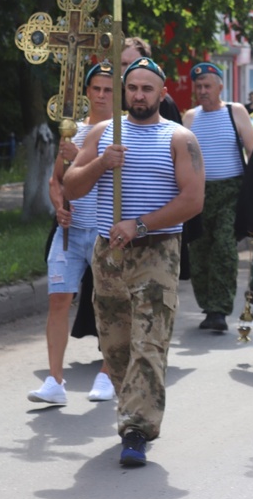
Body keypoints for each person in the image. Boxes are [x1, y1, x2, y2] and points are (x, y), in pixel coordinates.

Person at [63, 57, 205, 466]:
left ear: (163, 93)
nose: (139, 94)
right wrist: (101, 163)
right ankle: (132, 408)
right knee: (115, 342)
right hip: (109, 252)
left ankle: (137, 429)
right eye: (133, 88)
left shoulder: (179, 138)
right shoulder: (105, 133)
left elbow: (192, 201)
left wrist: (140, 225)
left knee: (149, 341)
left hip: (156, 252)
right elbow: (71, 185)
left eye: (147, 88)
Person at [28, 63, 117, 405]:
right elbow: (57, 181)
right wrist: (58, 207)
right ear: (87, 92)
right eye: (95, 88)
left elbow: (110, 176)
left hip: (106, 231)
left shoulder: (122, 132)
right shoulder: (73, 129)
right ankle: (54, 381)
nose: (101, 95)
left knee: (109, 302)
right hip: (72, 231)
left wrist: (79, 157)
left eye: (108, 90)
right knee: (58, 300)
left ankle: (107, 375)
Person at [182, 62, 253, 331]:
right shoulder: (190, 117)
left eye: (207, 86)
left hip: (230, 192)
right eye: (198, 87)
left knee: (224, 247)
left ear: (220, 87)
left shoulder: (235, 112)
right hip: (199, 193)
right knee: (199, 250)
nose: (202, 91)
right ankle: (208, 305)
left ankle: (220, 310)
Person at [121, 37, 182, 124]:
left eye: (134, 63)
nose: (128, 68)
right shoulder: (107, 94)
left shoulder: (163, 101)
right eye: (123, 64)